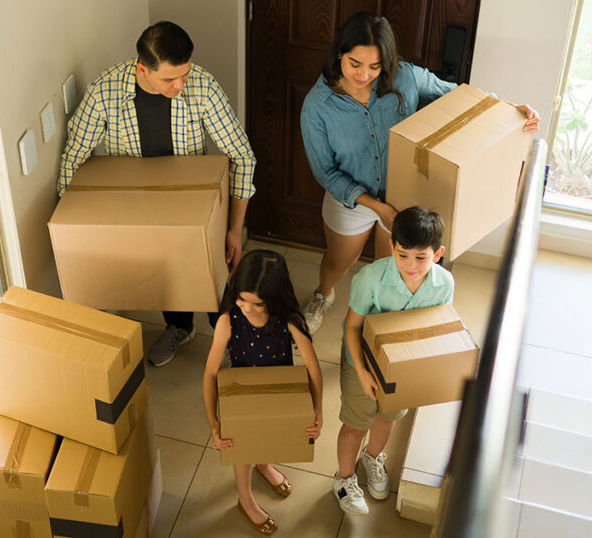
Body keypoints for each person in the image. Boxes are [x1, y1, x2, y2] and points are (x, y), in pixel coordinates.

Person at [299, 11, 540, 333]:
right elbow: (326, 172)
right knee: (338, 263)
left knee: (390, 267)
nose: (364, 75)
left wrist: (511, 111)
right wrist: (376, 207)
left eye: (375, 66)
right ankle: (322, 295)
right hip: (352, 201)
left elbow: (462, 98)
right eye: (355, 64)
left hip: (402, 197)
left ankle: (382, 317)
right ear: (339, 54)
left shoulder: (407, 78)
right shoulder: (318, 106)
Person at [58, 21, 256, 367]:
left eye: (185, 74)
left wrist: (235, 228)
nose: (181, 85)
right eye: (169, 79)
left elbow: (242, 156)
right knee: (168, 275)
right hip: (140, 208)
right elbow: (73, 159)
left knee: (218, 285)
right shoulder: (104, 92)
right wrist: (81, 234)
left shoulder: (202, 87)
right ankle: (179, 327)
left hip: (194, 207)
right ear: (142, 70)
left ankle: (232, 342)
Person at [332, 206, 452, 515]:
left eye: (421, 258)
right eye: (402, 256)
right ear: (391, 247)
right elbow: (352, 326)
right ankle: (344, 477)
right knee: (356, 423)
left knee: (388, 416)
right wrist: (360, 372)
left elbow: (434, 329)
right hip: (362, 358)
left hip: (403, 365)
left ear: (437, 253)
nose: (411, 266)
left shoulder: (444, 285)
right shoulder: (370, 278)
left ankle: (373, 458)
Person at [202, 250, 323, 535]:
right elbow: (210, 373)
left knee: (269, 434)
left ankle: (264, 465)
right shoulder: (228, 321)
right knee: (242, 447)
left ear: (275, 297)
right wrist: (214, 422)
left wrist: (317, 411)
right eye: (241, 299)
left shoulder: (290, 321)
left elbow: (313, 370)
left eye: (257, 303)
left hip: (276, 393)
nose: (246, 307)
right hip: (241, 397)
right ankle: (245, 499)